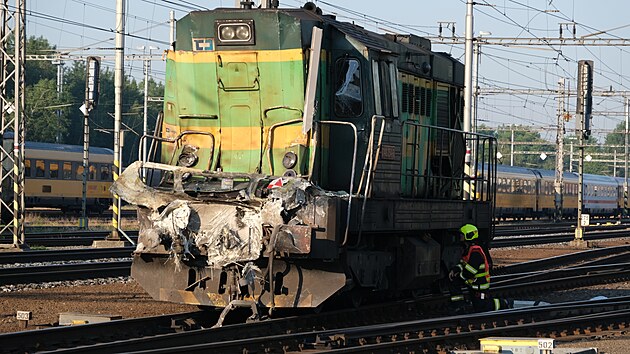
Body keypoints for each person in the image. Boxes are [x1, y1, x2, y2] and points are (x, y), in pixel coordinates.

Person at [448, 224, 509, 312]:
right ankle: (458, 306)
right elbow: (463, 264)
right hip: (473, 283)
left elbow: (470, 272)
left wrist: (460, 277)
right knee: (453, 280)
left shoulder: (475, 252)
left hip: (479, 285)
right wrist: (455, 269)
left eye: (462, 235)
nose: (460, 237)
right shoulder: (469, 249)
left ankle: (503, 303)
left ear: (468, 236)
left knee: (481, 308)